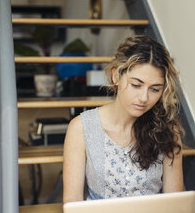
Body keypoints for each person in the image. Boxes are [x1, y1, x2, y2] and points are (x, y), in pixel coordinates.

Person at [63, 35, 184, 203]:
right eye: (136, 85)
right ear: (116, 76)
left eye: (155, 89)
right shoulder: (81, 128)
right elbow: (72, 201)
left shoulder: (167, 130)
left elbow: (176, 203)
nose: (144, 98)